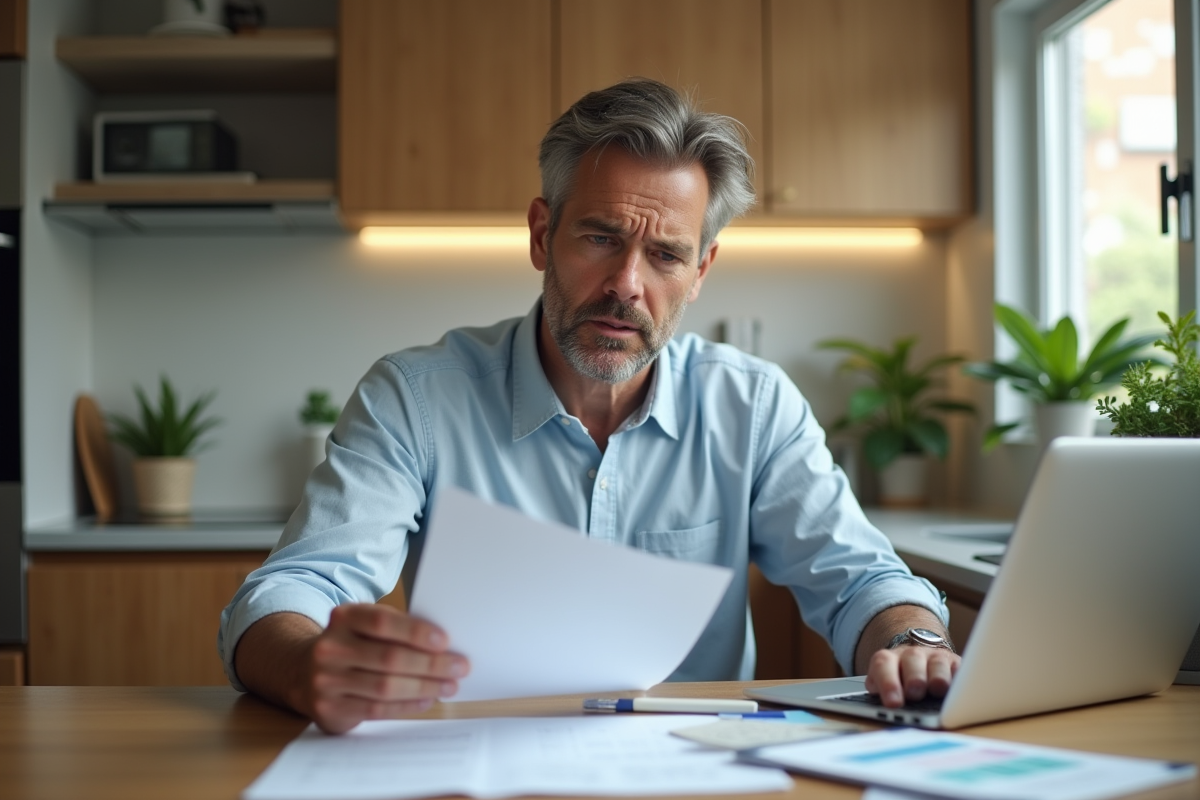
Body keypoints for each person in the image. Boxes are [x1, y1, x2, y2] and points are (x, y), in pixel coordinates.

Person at [219, 79, 960, 735]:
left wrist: (911, 646)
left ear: (701, 270)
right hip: (468, 760)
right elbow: (295, 588)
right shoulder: (415, 397)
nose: (626, 285)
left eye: (665, 255)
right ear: (543, 234)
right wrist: (306, 662)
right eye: (601, 238)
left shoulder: (755, 407)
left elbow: (863, 581)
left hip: (691, 769)